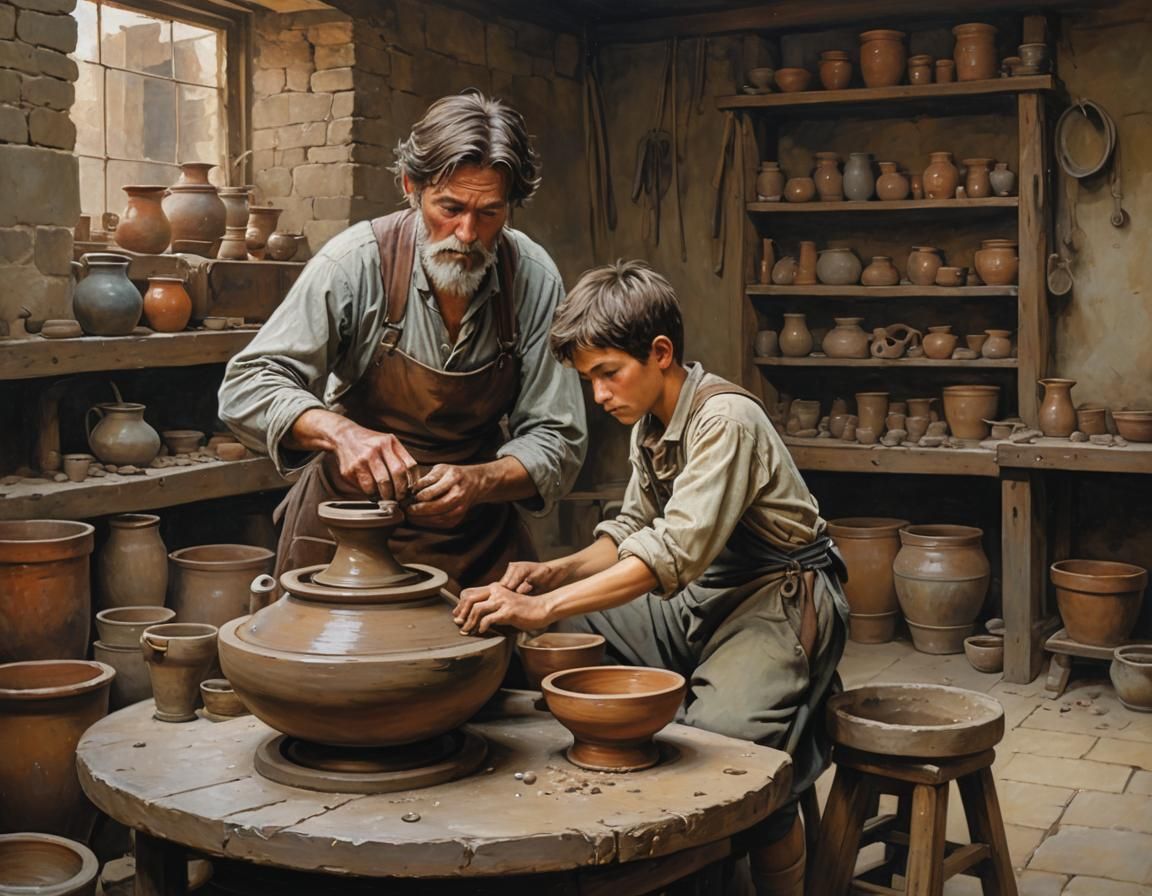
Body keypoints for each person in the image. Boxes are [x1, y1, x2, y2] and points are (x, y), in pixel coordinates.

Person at [453, 260, 848, 896]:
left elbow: (671, 551)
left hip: (777, 601)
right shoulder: (650, 424)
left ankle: (751, 837)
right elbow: (632, 529)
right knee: (571, 627)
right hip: (703, 595)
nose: (599, 394)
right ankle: (620, 775)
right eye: (589, 379)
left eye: (608, 373)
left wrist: (544, 605)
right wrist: (550, 575)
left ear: (660, 354)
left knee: (726, 754)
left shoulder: (725, 420)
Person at [218, 91, 587, 589]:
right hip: (345, 538)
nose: (467, 234)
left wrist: (480, 480)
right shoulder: (354, 263)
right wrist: (339, 433)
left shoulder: (533, 278)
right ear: (412, 186)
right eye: (450, 208)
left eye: (489, 214)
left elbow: (559, 436)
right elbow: (245, 385)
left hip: (474, 543)